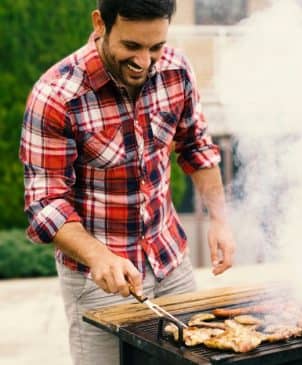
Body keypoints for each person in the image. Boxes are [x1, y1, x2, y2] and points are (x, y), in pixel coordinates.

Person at [19, 1, 236, 364]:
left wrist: (219, 220)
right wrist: (98, 256)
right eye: (131, 46)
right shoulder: (57, 95)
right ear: (100, 23)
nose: (145, 61)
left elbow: (196, 146)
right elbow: (46, 202)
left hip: (170, 261)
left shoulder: (175, 70)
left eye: (156, 47)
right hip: (99, 277)